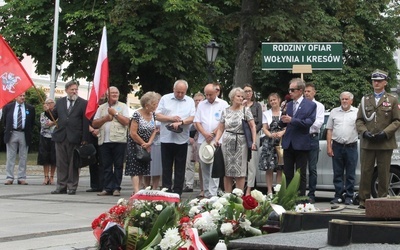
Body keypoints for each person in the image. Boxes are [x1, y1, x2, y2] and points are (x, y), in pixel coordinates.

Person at [356, 69, 400, 209]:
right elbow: (359, 120)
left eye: (379, 81)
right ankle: (363, 200)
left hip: (385, 142)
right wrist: (364, 132)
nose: (376, 83)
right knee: (366, 172)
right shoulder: (365, 100)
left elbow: (397, 120)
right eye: (374, 80)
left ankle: (383, 201)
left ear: (385, 82)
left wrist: (385, 133)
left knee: (383, 173)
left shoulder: (392, 100)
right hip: (368, 142)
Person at [47, 80, 90, 195]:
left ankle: (72, 186)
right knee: (61, 163)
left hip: (75, 136)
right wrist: (47, 111)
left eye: (76, 89)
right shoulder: (60, 102)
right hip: (61, 136)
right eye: (72, 90)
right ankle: (61, 186)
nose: (74, 92)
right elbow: (54, 116)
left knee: (73, 163)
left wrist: (85, 138)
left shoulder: (83, 103)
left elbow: (86, 122)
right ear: (66, 90)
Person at [156, 80, 196, 195]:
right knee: (166, 167)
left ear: (186, 91)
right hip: (166, 138)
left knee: (180, 167)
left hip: (182, 139)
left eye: (182, 93)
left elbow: (193, 117)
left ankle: (178, 192)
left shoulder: (190, 101)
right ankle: (166, 190)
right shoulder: (165, 98)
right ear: (173, 90)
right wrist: (171, 119)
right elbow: (157, 115)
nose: (179, 95)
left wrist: (181, 122)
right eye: (177, 92)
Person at [214, 87, 257, 193]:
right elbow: (221, 127)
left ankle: (239, 197)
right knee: (227, 172)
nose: (241, 98)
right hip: (227, 143)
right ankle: (227, 196)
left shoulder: (245, 110)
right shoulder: (225, 111)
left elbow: (252, 126)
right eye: (238, 96)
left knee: (240, 172)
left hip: (241, 142)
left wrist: (253, 142)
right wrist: (217, 139)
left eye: (242, 96)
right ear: (232, 98)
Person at [279, 78, 316, 196]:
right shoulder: (288, 105)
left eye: (292, 90)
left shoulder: (310, 105)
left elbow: (308, 123)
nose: (290, 92)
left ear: (300, 91)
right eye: (289, 90)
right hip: (288, 143)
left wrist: (292, 120)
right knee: (288, 173)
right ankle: (288, 198)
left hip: (301, 143)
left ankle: (300, 199)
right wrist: (282, 119)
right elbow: (283, 123)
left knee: (300, 174)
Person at [93, 86, 130, 196]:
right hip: (104, 140)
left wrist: (115, 114)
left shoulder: (123, 106)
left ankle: (116, 188)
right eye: (112, 93)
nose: (115, 95)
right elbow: (94, 124)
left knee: (118, 165)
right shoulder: (102, 108)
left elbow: (126, 121)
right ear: (107, 95)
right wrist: (104, 119)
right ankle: (107, 187)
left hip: (119, 140)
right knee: (106, 165)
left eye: (116, 93)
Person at [194, 84, 229, 198]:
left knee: (215, 166)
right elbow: (197, 121)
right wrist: (204, 133)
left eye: (210, 94)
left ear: (216, 93)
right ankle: (206, 192)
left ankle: (213, 193)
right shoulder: (201, 105)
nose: (208, 97)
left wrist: (213, 133)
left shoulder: (223, 104)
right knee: (204, 166)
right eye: (206, 94)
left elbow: (224, 121)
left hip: (217, 140)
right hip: (203, 140)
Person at [326, 92, 359, 205]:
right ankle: (338, 195)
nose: (344, 101)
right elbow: (329, 129)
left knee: (350, 173)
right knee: (338, 172)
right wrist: (329, 146)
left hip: (351, 146)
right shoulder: (334, 112)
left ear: (351, 101)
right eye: (342, 99)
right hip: (337, 146)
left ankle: (349, 196)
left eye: (346, 99)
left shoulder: (356, 112)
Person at [126, 91, 160, 194]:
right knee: (135, 168)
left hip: (147, 145)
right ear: (147, 105)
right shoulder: (137, 114)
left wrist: (149, 142)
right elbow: (133, 133)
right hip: (135, 144)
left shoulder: (153, 114)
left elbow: (155, 130)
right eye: (154, 104)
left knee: (142, 168)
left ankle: (139, 190)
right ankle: (136, 191)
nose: (156, 106)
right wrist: (143, 143)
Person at [2, 93, 35, 185]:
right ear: (16, 97)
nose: (23, 97)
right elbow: (5, 121)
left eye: (24, 96)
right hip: (12, 133)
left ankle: (21, 177)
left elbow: (32, 122)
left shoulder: (30, 108)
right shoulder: (8, 107)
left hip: (24, 133)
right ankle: (9, 177)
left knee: (23, 156)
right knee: (10, 156)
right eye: (20, 96)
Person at [258, 93, 285, 197]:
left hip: (281, 142)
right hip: (269, 143)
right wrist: (270, 135)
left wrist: (282, 133)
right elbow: (264, 128)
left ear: (279, 100)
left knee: (280, 167)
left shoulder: (284, 113)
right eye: (271, 100)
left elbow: (288, 127)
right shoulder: (266, 113)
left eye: (275, 100)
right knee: (269, 167)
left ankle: (278, 189)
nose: (273, 102)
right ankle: (269, 190)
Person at [304, 82, 325, 203]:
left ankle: (311, 194)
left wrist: (304, 124)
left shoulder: (319, 106)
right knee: (300, 168)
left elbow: (318, 124)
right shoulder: (301, 104)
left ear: (314, 92)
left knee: (312, 168)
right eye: (305, 91)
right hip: (301, 138)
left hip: (312, 138)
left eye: (309, 91)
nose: (307, 93)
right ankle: (300, 193)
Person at [243, 84, 263, 196]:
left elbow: (259, 122)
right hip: (242, 136)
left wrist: (253, 133)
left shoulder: (257, 106)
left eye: (250, 91)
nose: (248, 93)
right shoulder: (241, 106)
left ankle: (249, 189)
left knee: (252, 163)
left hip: (254, 136)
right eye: (246, 91)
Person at [183, 92, 205, 194]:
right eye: (196, 100)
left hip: (201, 139)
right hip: (190, 140)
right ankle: (189, 184)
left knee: (202, 164)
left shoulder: (205, 111)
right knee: (189, 163)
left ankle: (203, 186)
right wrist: (188, 138)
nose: (198, 102)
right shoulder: (190, 112)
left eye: (200, 100)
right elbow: (185, 126)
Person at [37, 98, 57, 185]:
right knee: (45, 158)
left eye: (51, 103)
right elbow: (44, 124)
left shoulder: (57, 113)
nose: (49, 104)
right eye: (47, 103)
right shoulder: (43, 114)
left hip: (55, 137)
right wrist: (53, 123)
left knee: (54, 158)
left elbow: (59, 124)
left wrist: (53, 122)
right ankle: (46, 176)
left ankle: (52, 176)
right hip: (45, 137)